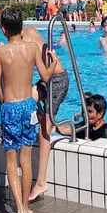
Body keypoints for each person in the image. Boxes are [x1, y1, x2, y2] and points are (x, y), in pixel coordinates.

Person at [0, 7, 59, 213]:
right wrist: (53, 59)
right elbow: (47, 76)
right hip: (29, 107)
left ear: (3, 29)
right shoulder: (31, 49)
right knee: (26, 159)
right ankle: (26, 208)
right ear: (22, 27)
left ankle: (19, 210)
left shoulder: (1, 52)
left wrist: (4, 104)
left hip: (10, 106)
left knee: (11, 160)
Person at [22, 27, 69, 203]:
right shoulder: (30, 31)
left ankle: (41, 182)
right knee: (27, 100)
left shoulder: (24, 43)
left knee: (44, 131)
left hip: (57, 81)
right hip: (47, 80)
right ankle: (45, 119)